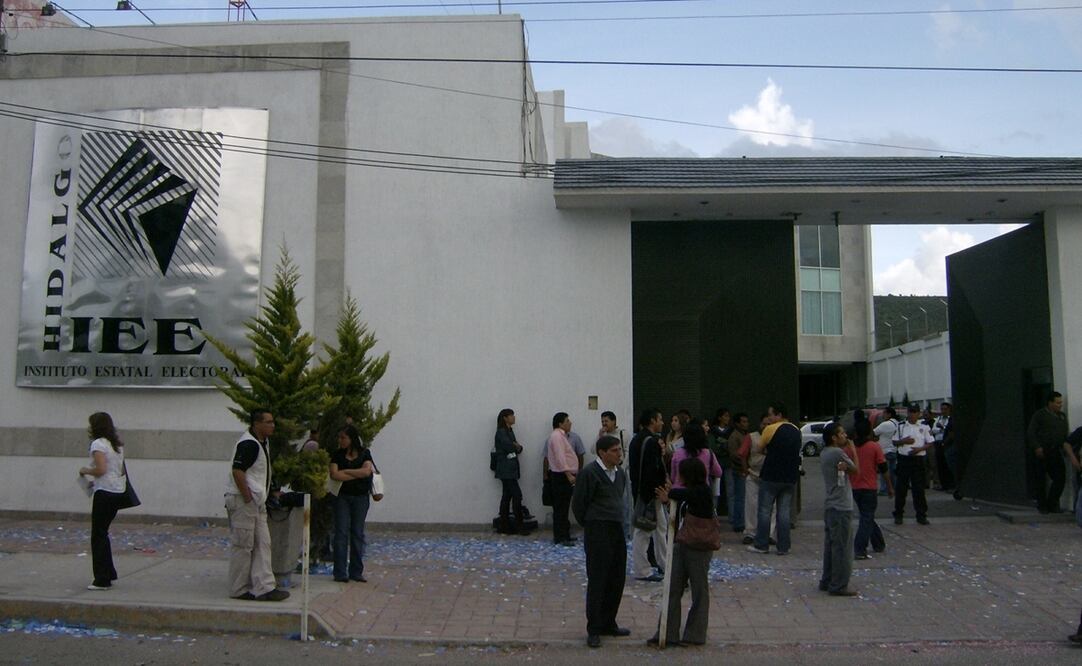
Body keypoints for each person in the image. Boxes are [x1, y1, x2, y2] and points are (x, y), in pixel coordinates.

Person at [572, 435, 631, 648]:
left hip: (616, 528)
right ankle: (594, 627)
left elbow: (620, 497)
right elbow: (579, 503)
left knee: (616, 577)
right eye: (614, 451)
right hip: (598, 528)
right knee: (598, 577)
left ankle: (609, 621)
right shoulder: (589, 473)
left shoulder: (620, 474)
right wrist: (590, 522)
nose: (619, 454)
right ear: (603, 453)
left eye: (619, 450)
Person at [225, 409, 289, 601]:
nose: (272, 425)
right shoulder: (249, 444)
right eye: (268, 422)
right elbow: (238, 471)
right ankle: (238, 588)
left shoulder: (262, 443)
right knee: (243, 545)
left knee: (263, 543)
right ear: (257, 424)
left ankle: (264, 587)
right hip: (244, 501)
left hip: (256, 501)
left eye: (273, 421)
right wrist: (247, 497)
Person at [651, 457, 715, 647]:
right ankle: (667, 631)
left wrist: (670, 493)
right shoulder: (687, 493)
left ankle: (695, 633)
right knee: (672, 588)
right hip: (681, 544)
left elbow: (683, 494)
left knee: (699, 591)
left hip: (698, 548)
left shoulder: (702, 491)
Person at [78, 412, 128, 591]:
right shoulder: (117, 445)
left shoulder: (98, 444)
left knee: (98, 535)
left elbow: (101, 469)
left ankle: (102, 578)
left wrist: (85, 470)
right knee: (103, 532)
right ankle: (108, 571)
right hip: (117, 491)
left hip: (104, 492)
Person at [749, 402, 802, 555]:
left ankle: (761, 544)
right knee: (784, 512)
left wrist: (771, 451)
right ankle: (783, 546)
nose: (769, 418)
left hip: (771, 474)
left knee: (765, 510)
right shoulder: (796, 429)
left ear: (778, 415)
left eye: (771, 414)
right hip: (790, 475)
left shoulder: (770, 429)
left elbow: (758, 448)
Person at [329, 425, 375, 582]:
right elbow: (334, 474)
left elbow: (367, 471)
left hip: (361, 497)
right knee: (341, 533)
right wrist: (357, 473)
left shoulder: (364, 453)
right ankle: (340, 572)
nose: (340, 441)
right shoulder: (337, 455)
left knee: (357, 533)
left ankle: (356, 571)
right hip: (342, 497)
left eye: (343, 438)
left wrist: (347, 472)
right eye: (339, 437)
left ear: (351, 439)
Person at [819, 422, 858, 596]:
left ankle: (827, 579)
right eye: (841, 433)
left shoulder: (825, 453)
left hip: (831, 504)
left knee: (832, 545)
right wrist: (853, 450)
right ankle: (839, 584)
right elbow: (856, 470)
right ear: (833, 437)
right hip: (841, 505)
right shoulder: (837, 452)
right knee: (842, 547)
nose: (845, 436)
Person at [629, 408, 668, 581]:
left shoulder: (637, 439)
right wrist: (659, 490)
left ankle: (663, 564)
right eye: (660, 419)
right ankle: (643, 569)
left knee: (658, 529)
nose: (662, 422)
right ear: (652, 421)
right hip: (650, 494)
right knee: (644, 531)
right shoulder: (650, 442)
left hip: (643, 492)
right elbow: (653, 470)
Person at [852, 420, 891, 559]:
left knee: (866, 515)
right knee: (867, 517)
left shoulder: (850, 448)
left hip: (855, 487)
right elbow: (884, 468)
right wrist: (890, 487)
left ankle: (878, 543)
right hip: (869, 487)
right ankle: (860, 548)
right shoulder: (874, 447)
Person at [1027, 391, 1069, 514]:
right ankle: (1042, 505)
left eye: (1061, 402)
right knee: (1040, 479)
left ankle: (1052, 503)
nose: (1060, 405)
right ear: (1050, 403)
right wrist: (1037, 447)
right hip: (1043, 450)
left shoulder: (1062, 416)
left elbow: (1063, 433)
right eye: (1057, 403)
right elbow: (1031, 432)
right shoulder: (1040, 415)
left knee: (1060, 478)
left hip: (1056, 450)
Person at [893, 405, 935, 525]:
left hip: (918, 459)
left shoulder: (924, 427)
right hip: (904, 459)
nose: (912, 415)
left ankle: (921, 515)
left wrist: (919, 449)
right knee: (901, 488)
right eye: (910, 412)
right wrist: (903, 441)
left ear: (918, 414)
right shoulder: (901, 426)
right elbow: (894, 441)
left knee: (919, 489)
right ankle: (898, 513)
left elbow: (930, 442)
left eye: (915, 412)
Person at [493, 408, 529, 535]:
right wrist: (515, 445)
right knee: (516, 495)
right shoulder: (502, 432)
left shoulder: (509, 431)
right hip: (506, 469)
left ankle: (505, 525)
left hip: (510, 468)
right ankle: (518, 525)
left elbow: (518, 448)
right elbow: (510, 447)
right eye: (511, 415)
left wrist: (516, 446)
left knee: (507, 496)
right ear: (505, 418)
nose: (514, 417)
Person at [742, 413, 776, 546]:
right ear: (760, 424)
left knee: (772, 507)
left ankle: (769, 534)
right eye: (764, 423)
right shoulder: (751, 437)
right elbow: (742, 454)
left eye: (769, 424)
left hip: (771, 476)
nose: (766, 426)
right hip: (754, 475)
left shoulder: (776, 437)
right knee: (751, 504)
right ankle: (750, 533)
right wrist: (745, 470)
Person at [547, 412, 579, 546]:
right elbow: (560, 457)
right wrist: (568, 474)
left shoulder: (560, 436)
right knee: (561, 507)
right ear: (560, 424)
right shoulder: (557, 437)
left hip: (563, 475)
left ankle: (564, 534)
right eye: (567, 421)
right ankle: (561, 537)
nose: (570, 423)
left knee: (564, 507)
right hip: (561, 476)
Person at [599, 411, 631, 538]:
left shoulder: (623, 434)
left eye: (606, 421)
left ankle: (626, 531)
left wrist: (621, 467)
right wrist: (600, 436)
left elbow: (628, 452)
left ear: (614, 421)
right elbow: (593, 449)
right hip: (607, 472)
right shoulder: (604, 436)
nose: (604, 424)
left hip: (621, 471)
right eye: (602, 422)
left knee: (625, 502)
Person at [670, 420, 723, 491]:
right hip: (701, 494)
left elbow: (673, 477)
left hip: (680, 493)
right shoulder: (708, 453)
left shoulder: (677, 453)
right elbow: (718, 472)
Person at [725, 413, 750, 533]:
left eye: (746, 421)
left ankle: (739, 520)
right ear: (737, 424)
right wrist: (744, 464)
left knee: (740, 496)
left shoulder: (744, 435)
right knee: (739, 497)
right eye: (743, 422)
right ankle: (738, 522)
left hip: (741, 469)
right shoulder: (735, 437)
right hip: (738, 470)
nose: (746, 424)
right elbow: (734, 455)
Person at [874, 407, 900, 496]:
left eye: (884, 413)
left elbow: (874, 432)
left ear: (889, 414)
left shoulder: (885, 424)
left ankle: (884, 489)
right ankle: (894, 487)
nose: (883, 415)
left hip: (885, 450)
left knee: (884, 471)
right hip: (894, 450)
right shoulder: (897, 423)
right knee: (892, 472)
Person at [931, 402, 955, 491]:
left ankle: (951, 484)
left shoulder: (951, 419)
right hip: (938, 442)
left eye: (945, 409)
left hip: (946, 443)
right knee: (939, 464)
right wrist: (940, 429)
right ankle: (943, 484)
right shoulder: (938, 419)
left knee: (947, 464)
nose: (943, 411)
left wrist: (942, 428)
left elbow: (949, 430)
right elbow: (933, 430)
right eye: (942, 409)